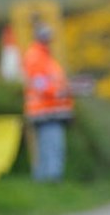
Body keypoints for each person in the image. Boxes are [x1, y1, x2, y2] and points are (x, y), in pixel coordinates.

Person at [22, 24, 74, 181]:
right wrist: (57, 92)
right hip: (45, 111)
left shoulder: (45, 56)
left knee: (49, 146)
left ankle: (47, 179)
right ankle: (51, 180)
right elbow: (39, 83)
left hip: (51, 111)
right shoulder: (36, 56)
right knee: (52, 146)